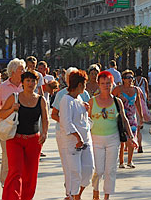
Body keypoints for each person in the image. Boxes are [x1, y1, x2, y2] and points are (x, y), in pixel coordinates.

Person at [0, 71, 49, 200]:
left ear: (37, 83)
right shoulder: (14, 97)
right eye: (27, 80)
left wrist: (44, 133)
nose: (30, 83)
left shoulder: (40, 99)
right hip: (15, 139)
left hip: (33, 140)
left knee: (30, 175)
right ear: (22, 83)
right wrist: (12, 109)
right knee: (15, 172)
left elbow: (45, 118)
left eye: (33, 81)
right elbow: (2, 114)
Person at [89, 71, 137, 200]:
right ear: (99, 84)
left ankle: (106, 196)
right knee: (98, 170)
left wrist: (131, 137)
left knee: (110, 170)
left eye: (108, 83)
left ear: (112, 84)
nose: (106, 86)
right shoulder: (92, 101)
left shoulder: (117, 101)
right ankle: (95, 189)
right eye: (103, 83)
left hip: (113, 139)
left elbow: (124, 119)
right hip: (96, 139)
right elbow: (86, 120)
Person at [0, 58, 25, 187]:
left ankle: (18, 182)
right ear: (13, 72)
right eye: (22, 69)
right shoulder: (2, 87)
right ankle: (6, 183)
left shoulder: (26, 86)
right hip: (7, 127)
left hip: (24, 126)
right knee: (8, 156)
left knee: (21, 157)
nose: (24, 71)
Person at [59, 70, 94, 200]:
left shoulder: (79, 99)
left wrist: (86, 110)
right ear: (79, 85)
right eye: (84, 84)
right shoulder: (66, 100)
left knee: (89, 169)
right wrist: (77, 137)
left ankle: (76, 194)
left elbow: (83, 120)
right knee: (75, 172)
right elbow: (66, 122)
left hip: (86, 140)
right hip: (72, 143)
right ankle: (73, 196)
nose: (85, 87)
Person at [51, 67, 85, 200]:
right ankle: (70, 193)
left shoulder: (83, 94)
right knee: (69, 166)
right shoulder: (62, 95)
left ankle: (75, 193)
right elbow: (54, 114)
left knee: (82, 168)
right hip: (64, 135)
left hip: (81, 137)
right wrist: (67, 123)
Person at [112, 70, 143, 168]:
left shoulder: (135, 90)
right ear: (123, 79)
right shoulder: (118, 89)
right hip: (120, 118)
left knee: (131, 139)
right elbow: (110, 99)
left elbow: (138, 103)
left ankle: (130, 161)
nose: (130, 79)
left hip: (132, 118)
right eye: (128, 78)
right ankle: (121, 162)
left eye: (131, 77)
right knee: (122, 141)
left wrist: (141, 117)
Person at [134, 67, 150, 153]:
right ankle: (140, 145)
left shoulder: (134, 80)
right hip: (142, 98)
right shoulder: (144, 80)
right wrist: (147, 96)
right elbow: (147, 89)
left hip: (135, 99)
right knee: (139, 129)